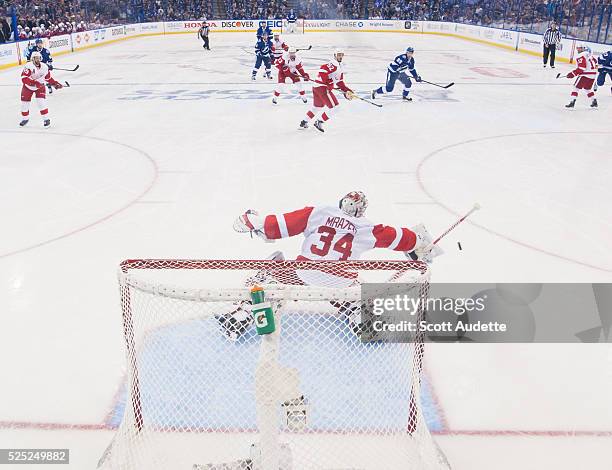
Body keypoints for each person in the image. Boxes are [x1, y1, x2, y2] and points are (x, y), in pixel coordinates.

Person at [299, 49, 355, 133]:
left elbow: (339, 82)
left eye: (341, 55)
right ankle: (319, 121)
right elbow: (322, 70)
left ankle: (304, 121)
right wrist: (327, 82)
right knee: (335, 107)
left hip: (317, 87)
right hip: (322, 88)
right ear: (335, 55)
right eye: (338, 55)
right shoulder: (333, 64)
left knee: (317, 107)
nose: (340, 56)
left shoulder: (340, 66)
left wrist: (346, 90)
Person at [19, 51, 63, 127]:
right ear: (32, 59)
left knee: (41, 103)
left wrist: (55, 83)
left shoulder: (45, 67)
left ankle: (46, 119)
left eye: (39, 58)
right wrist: (35, 83)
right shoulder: (28, 66)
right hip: (27, 87)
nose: (37, 60)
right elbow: (24, 79)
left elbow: (48, 78)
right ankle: (25, 119)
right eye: (35, 58)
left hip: (40, 87)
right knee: (24, 105)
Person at [564, 44, 598, 108]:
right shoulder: (591, 55)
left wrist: (572, 74)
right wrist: (594, 72)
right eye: (577, 48)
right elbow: (596, 64)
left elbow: (582, 68)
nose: (578, 49)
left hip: (585, 75)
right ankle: (594, 101)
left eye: (579, 48)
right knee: (587, 88)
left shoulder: (580, 55)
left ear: (583, 48)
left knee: (575, 87)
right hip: (593, 75)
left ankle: (572, 102)